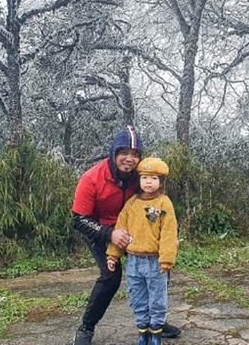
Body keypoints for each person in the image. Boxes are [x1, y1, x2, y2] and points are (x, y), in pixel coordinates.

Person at [71, 126, 181, 345]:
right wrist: (109, 234)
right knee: (110, 277)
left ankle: (156, 323)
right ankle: (86, 327)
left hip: (135, 228)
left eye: (134, 154)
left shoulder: (140, 176)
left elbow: (157, 195)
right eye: (123, 153)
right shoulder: (92, 178)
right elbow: (78, 219)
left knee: (159, 270)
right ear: (113, 153)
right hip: (99, 230)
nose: (129, 159)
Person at [106, 157, 178, 345]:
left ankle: (156, 334)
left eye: (154, 178)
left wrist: (167, 260)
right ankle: (142, 332)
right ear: (139, 180)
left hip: (155, 262)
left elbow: (169, 234)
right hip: (134, 262)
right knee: (137, 297)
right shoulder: (131, 204)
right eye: (145, 177)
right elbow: (121, 229)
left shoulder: (164, 203)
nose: (149, 182)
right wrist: (113, 254)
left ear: (160, 182)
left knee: (157, 300)